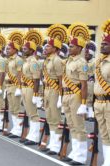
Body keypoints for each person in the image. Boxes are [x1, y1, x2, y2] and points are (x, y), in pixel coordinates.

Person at [61, 22, 90, 165]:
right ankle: (75, 151)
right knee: (71, 125)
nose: (69, 48)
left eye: (71, 46)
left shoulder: (82, 62)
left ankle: (81, 155)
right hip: (66, 95)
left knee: (79, 126)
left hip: (76, 95)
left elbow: (84, 85)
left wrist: (84, 104)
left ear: (79, 47)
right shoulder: (68, 61)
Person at [43, 24, 67, 155]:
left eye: (48, 46)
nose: (46, 47)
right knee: (49, 117)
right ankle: (53, 143)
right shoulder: (47, 60)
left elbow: (60, 79)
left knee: (56, 118)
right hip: (47, 91)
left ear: (55, 48)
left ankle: (56, 145)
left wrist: (61, 97)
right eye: (46, 46)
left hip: (54, 91)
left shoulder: (57, 60)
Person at [93, 19, 110, 166]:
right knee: (104, 135)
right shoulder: (99, 63)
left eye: (105, 44)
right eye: (102, 44)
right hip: (99, 102)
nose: (102, 46)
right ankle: (107, 165)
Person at [21, 29, 43, 145]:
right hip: (25, 88)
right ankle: (31, 134)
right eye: (23, 48)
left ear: (31, 50)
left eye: (25, 49)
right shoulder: (26, 61)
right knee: (29, 112)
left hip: (30, 89)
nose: (23, 50)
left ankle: (34, 137)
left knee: (33, 113)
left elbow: (36, 79)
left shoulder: (33, 62)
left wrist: (35, 94)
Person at [5, 31, 24, 138]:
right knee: (12, 108)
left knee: (17, 109)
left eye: (9, 49)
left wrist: (19, 88)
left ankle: (18, 129)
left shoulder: (19, 60)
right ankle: (15, 128)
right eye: (7, 49)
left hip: (15, 86)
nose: (7, 50)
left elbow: (20, 74)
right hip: (8, 86)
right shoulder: (9, 60)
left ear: (15, 50)